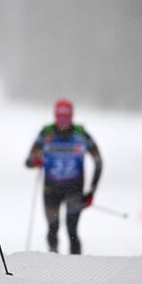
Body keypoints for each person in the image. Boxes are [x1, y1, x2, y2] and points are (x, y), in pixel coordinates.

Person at [25, 99, 102, 254]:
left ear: (72, 116)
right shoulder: (46, 133)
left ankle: (76, 264)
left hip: (75, 190)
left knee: (72, 230)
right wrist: (36, 161)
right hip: (51, 190)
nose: (63, 121)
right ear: (55, 116)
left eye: (66, 117)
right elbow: (29, 161)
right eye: (60, 117)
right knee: (53, 229)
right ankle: (53, 260)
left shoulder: (81, 135)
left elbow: (98, 162)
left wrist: (92, 191)